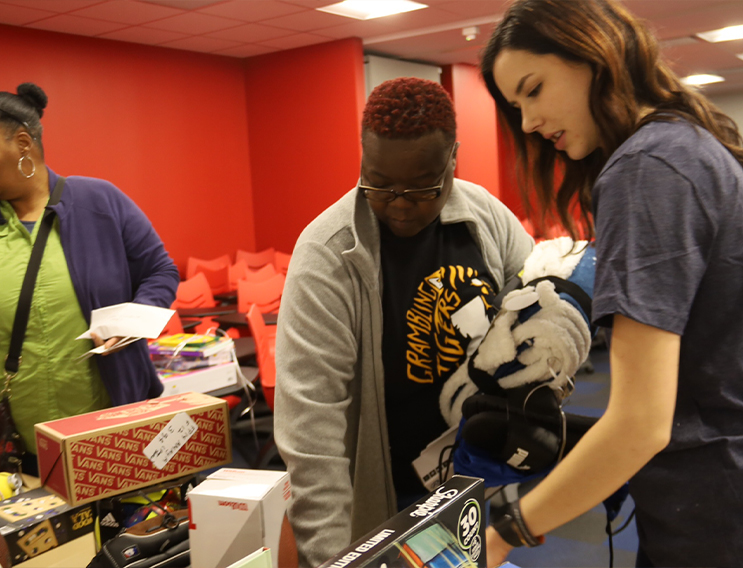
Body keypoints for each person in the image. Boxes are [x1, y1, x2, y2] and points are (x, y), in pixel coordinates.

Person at [479, 1, 743, 566]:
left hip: (710, 510)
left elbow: (640, 422)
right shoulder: (690, 145)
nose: (526, 122)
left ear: (592, 56)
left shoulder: (645, 167)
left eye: (533, 89)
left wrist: (509, 529)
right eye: (514, 105)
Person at [273, 77, 533, 567]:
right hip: (384, 499)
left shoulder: (487, 220)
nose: (398, 204)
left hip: (475, 480)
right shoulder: (327, 255)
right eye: (379, 184)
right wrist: (335, 560)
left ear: (453, 158)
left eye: (420, 188)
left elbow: (541, 308)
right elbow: (312, 429)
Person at [0, 83, 180, 475]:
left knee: (122, 530)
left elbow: (160, 271)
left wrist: (131, 322)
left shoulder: (99, 201)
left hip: (110, 424)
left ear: (23, 143)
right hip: (18, 437)